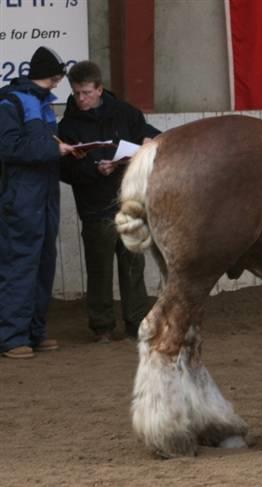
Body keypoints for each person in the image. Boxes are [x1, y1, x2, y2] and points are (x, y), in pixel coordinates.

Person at [58, 61, 160, 343]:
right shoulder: (68, 125)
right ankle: (102, 326)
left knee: (133, 267)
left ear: (99, 89)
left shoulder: (126, 114)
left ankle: (136, 323)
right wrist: (93, 170)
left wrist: (149, 142)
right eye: (77, 93)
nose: (81, 99)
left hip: (129, 202)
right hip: (94, 206)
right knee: (99, 269)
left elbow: (150, 136)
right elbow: (64, 170)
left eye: (86, 93)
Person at [0, 46, 80, 359]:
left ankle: (35, 331)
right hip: (21, 195)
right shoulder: (10, 102)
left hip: (44, 193)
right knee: (19, 263)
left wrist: (62, 149)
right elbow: (9, 147)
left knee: (43, 261)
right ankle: (11, 337)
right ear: (44, 76)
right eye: (54, 79)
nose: (56, 85)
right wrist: (53, 151)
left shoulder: (42, 103)